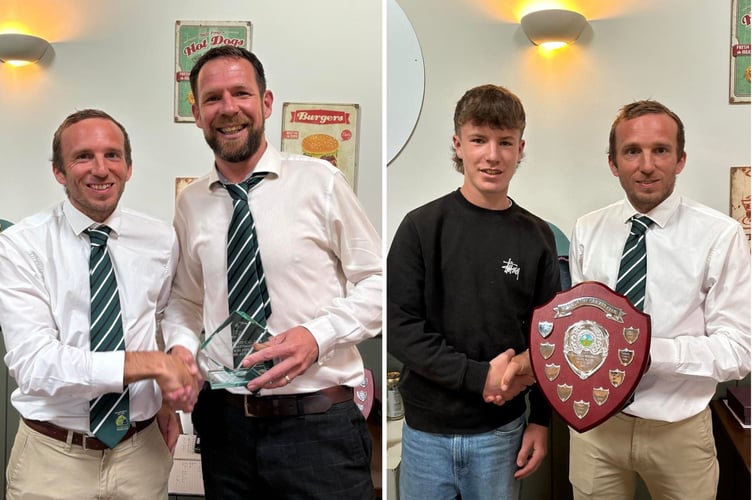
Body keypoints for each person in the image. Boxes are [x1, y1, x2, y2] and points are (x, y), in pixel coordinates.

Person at [160, 46, 382, 499]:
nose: (228, 109)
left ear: (265, 103)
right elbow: (184, 300)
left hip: (319, 428)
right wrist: (181, 350)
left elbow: (379, 283)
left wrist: (316, 336)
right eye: (212, 98)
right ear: (198, 113)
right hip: (225, 428)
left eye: (241, 93)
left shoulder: (321, 182)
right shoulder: (191, 202)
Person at [0, 109, 202, 500]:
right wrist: (152, 365)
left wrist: (166, 394)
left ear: (128, 168)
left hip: (141, 452)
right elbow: (35, 364)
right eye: (83, 157)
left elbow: (164, 317)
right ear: (59, 172)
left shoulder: (160, 240)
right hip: (53, 458)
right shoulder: (20, 246)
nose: (100, 169)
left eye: (112, 155)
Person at [568, 99, 751, 499]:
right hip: (595, 427)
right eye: (632, 151)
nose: (646, 164)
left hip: (680, 433)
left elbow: (739, 350)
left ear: (680, 159)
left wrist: (646, 353)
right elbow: (581, 329)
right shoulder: (586, 230)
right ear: (614, 163)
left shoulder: (720, 236)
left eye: (660, 150)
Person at [387, 84, 560, 499]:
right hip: (426, 432)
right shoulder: (421, 227)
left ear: (520, 148)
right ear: (458, 144)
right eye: (479, 140)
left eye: (505, 142)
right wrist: (478, 377)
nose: (492, 155)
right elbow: (399, 327)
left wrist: (541, 420)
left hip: (502, 433)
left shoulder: (538, 237)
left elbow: (550, 335)